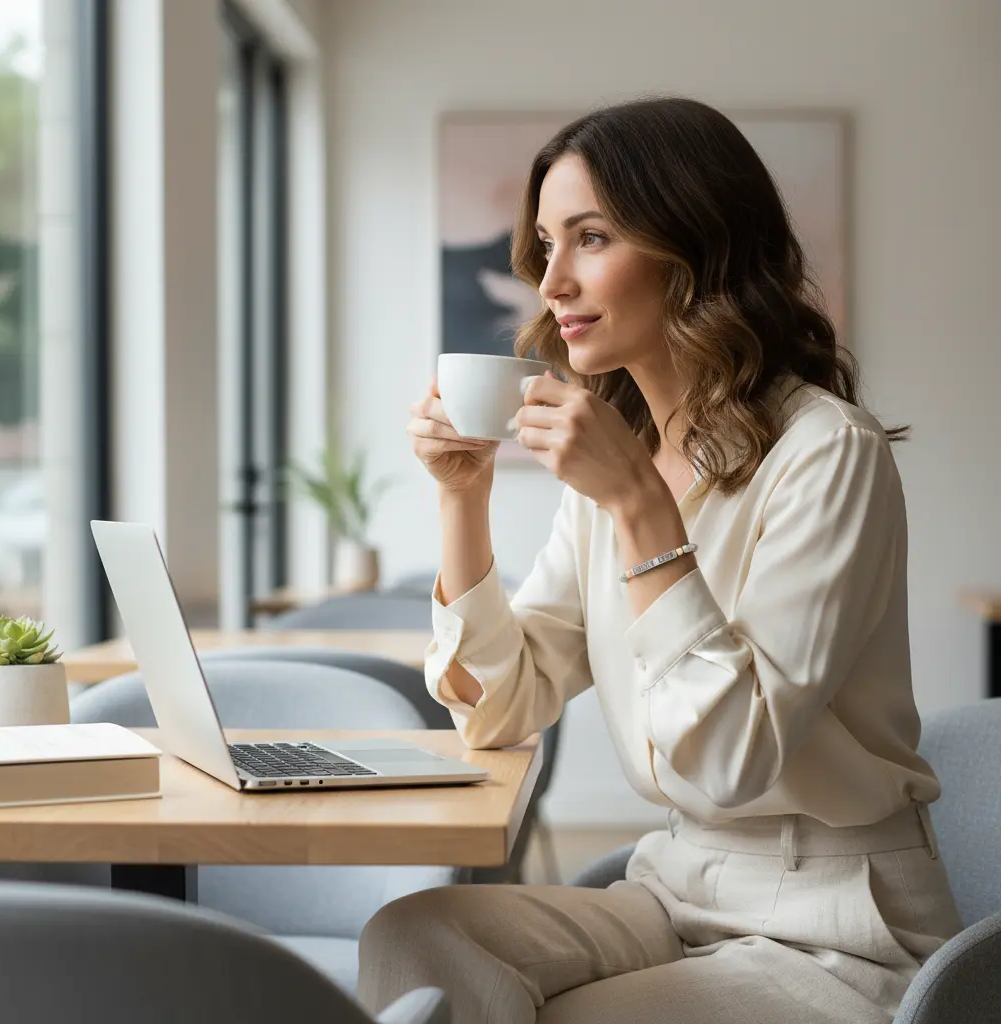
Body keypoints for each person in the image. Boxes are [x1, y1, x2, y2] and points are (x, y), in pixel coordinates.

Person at [358, 97, 962, 1024]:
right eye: (546, 246)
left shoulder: (828, 453)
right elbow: (502, 706)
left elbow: (732, 761)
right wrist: (461, 496)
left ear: (695, 248)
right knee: (412, 939)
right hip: (676, 884)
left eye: (590, 237)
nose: (551, 281)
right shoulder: (615, 460)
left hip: (838, 925)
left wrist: (638, 503)